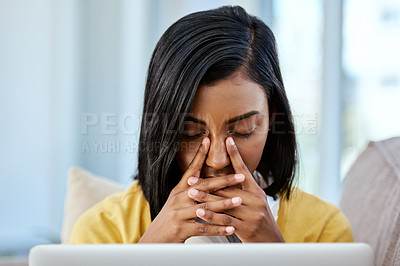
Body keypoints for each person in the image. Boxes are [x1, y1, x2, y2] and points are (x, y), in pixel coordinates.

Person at [70, 5, 353, 244]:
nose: (218, 161)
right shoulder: (102, 230)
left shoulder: (323, 229)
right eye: (190, 132)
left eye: (243, 131)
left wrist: (273, 251)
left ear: (273, 120)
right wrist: (149, 252)